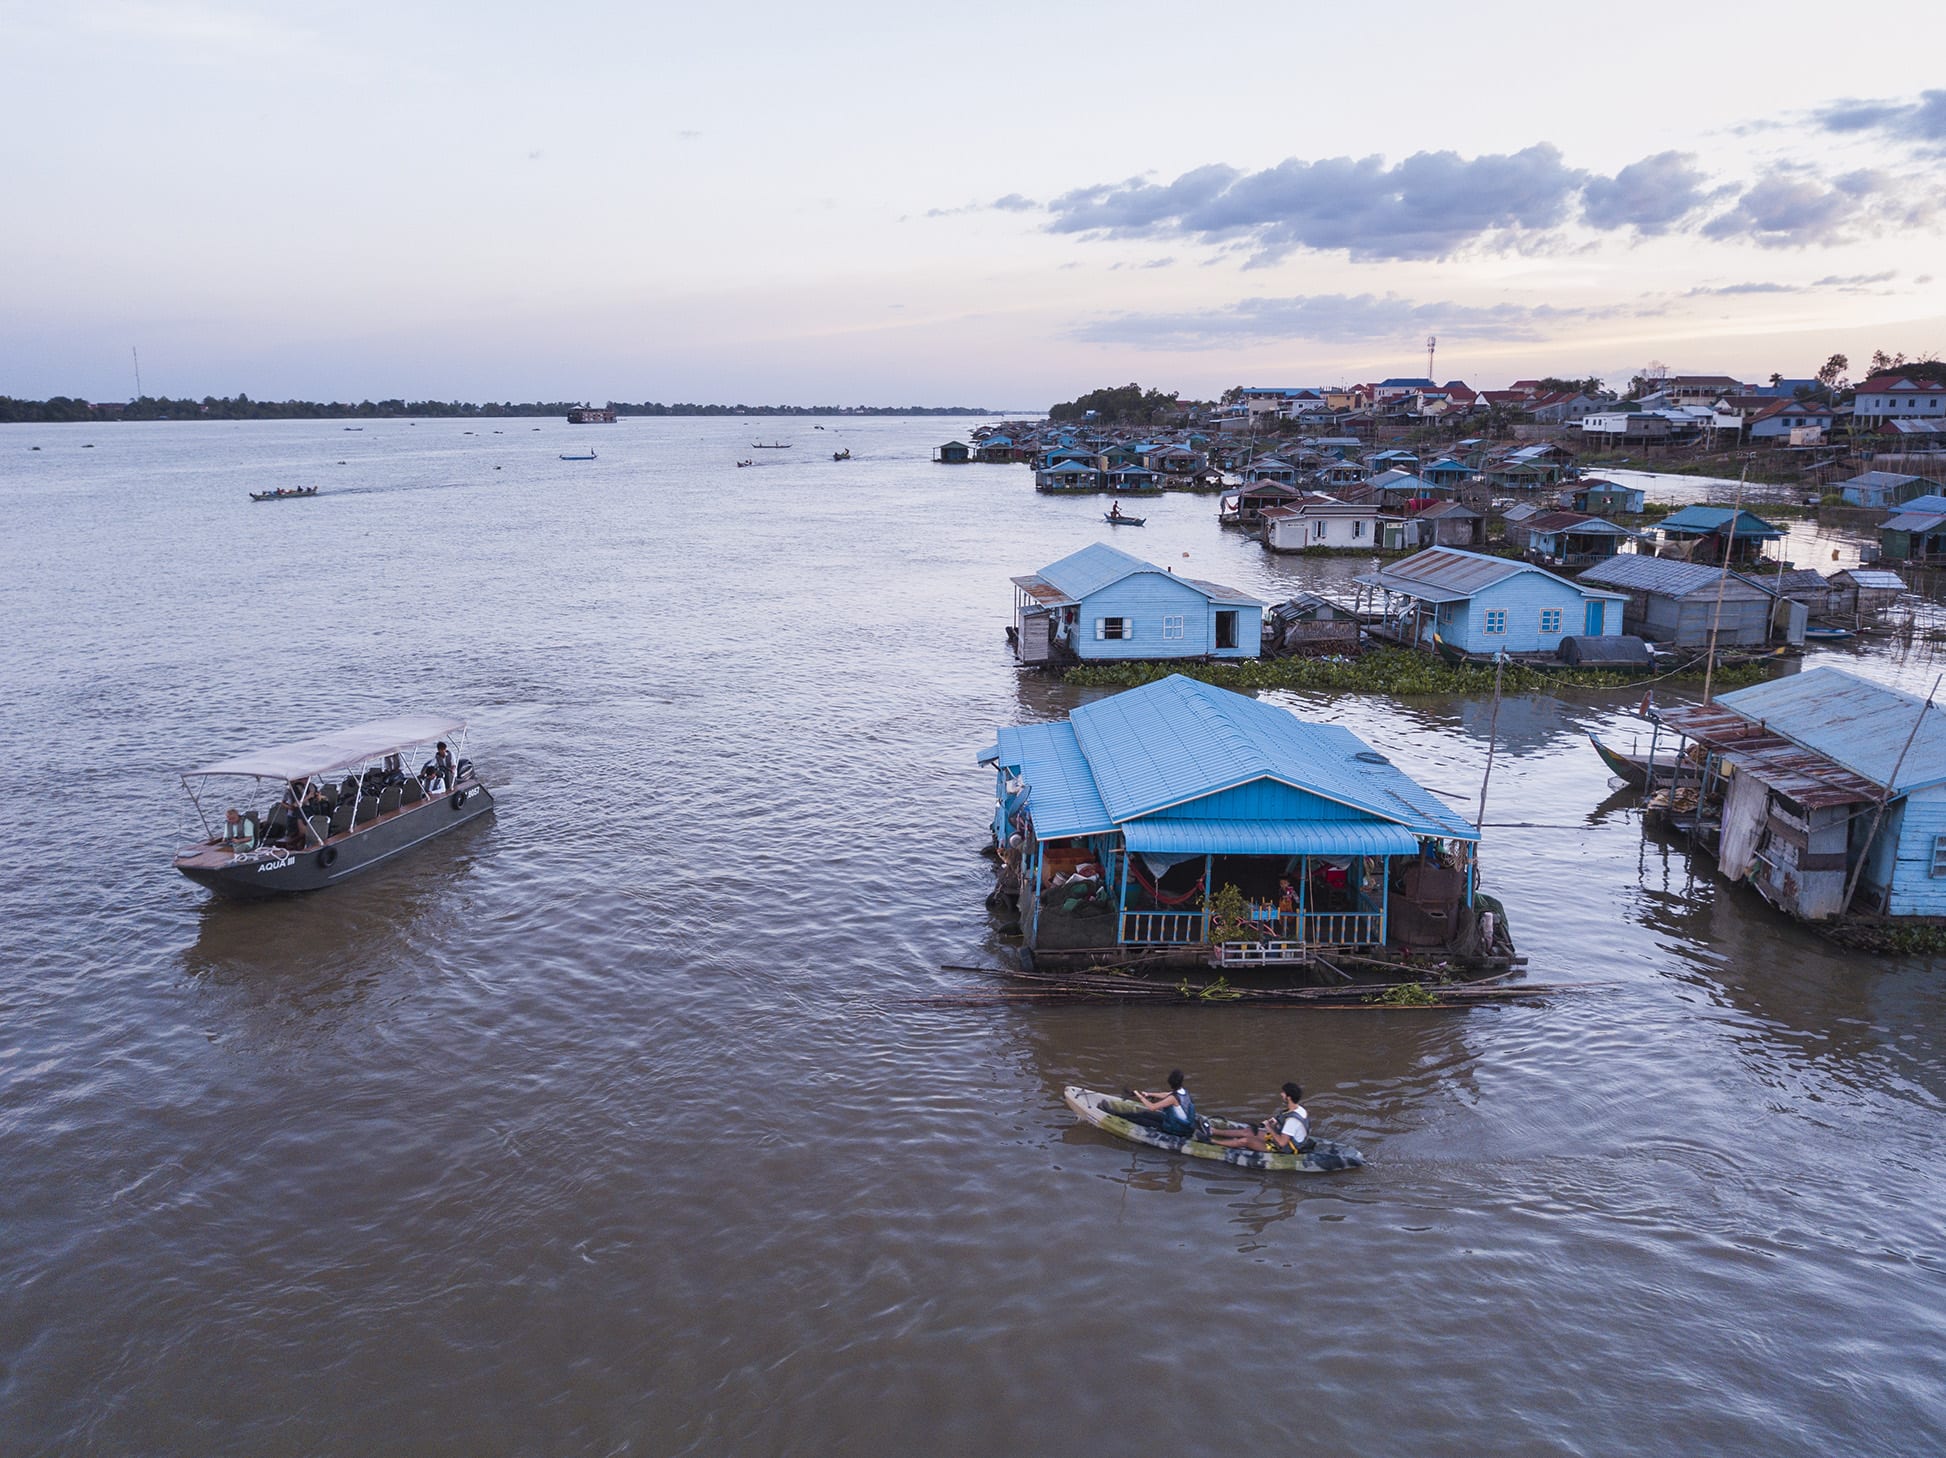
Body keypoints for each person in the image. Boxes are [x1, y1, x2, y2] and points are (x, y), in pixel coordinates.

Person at [1211, 1082, 1310, 1155]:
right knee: (1247, 1131)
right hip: (1283, 1139)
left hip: (1284, 1148)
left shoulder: (1292, 1121)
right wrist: (1274, 1122)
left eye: (1283, 1093)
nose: (1281, 1094)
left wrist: (1269, 1128)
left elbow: (1282, 1143)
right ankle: (1213, 1131)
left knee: (1245, 1141)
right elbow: (1284, 1120)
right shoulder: (1299, 1109)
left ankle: (1212, 1142)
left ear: (1288, 1097)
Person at [1126, 1071, 1197, 1138]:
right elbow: (1166, 1094)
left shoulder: (1173, 1098)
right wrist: (1148, 1094)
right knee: (1145, 1114)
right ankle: (1120, 1114)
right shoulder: (1184, 1092)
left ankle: (1119, 1116)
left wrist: (1138, 1095)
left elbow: (1152, 1107)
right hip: (1177, 1123)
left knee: (1141, 1120)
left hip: (1176, 1129)